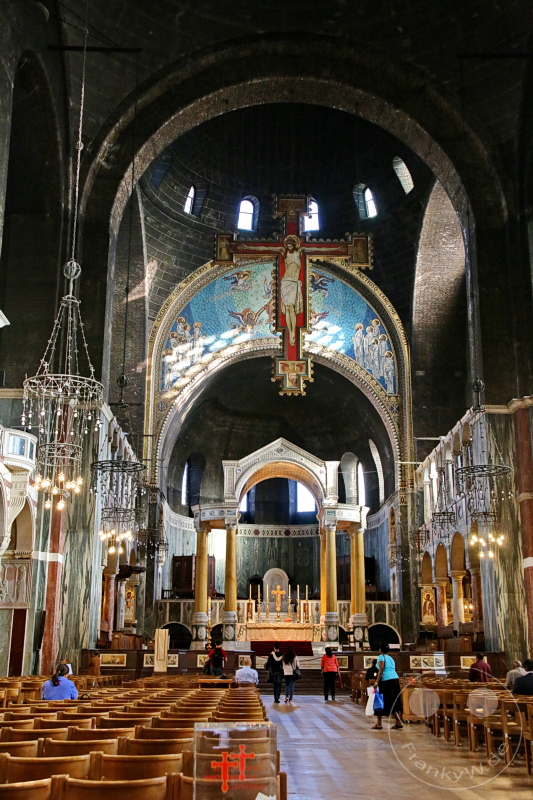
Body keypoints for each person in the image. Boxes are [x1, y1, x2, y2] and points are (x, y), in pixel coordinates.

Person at [372, 643, 402, 730]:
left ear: (380, 650)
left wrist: (377, 682)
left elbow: (381, 669)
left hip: (386, 681)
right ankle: (398, 721)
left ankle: (379, 723)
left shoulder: (381, 657)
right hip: (395, 679)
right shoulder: (391, 658)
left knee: (380, 700)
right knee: (392, 701)